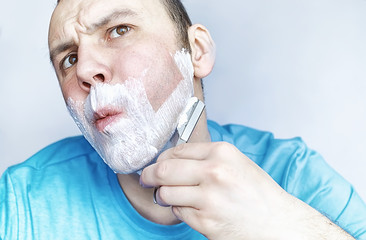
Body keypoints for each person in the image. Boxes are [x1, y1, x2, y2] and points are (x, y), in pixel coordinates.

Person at [1, 0, 365, 239]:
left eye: (118, 30)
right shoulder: (22, 201)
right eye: (68, 58)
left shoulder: (293, 175)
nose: (85, 69)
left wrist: (280, 223)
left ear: (197, 52)